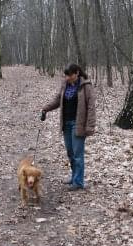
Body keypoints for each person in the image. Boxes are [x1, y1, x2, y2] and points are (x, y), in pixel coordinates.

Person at [41, 63, 96, 191]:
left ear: (77, 73)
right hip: (66, 123)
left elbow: (91, 107)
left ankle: (78, 182)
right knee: (70, 153)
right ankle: (73, 177)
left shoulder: (86, 86)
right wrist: (46, 108)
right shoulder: (65, 85)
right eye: (66, 75)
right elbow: (57, 100)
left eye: (69, 75)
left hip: (78, 124)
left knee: (78, 154)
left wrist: (90, 126)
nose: (67, 78)